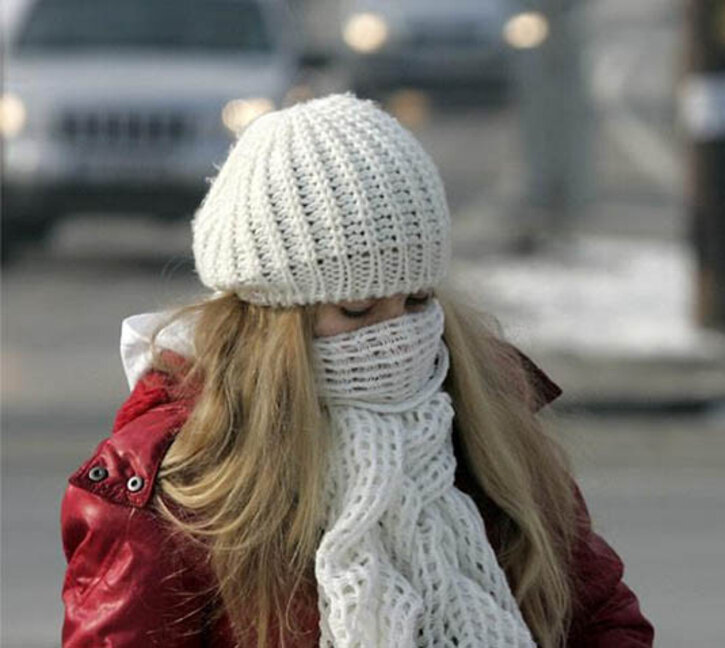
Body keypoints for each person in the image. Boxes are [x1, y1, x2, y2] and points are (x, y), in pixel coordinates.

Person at [59, 93, 654, 648]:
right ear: (271, 319)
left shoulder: (487, 426)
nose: (397, 334)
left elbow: (601, 618)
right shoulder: (178, 485)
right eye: (358, 309)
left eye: (418, 301)